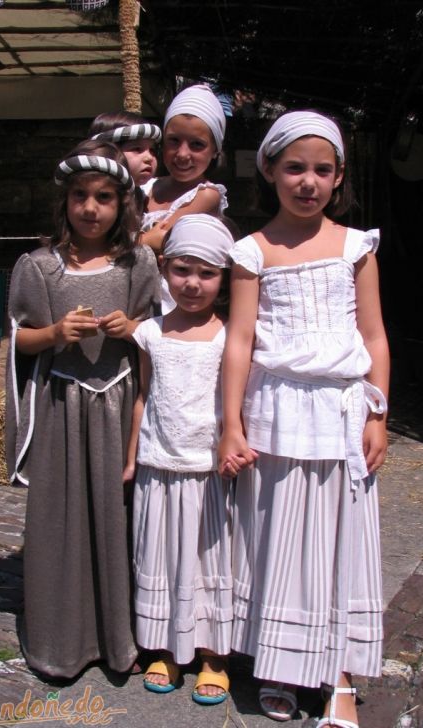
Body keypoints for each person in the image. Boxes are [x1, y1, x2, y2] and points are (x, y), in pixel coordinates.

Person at [218, 111, 390, 727]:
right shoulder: (251, 251)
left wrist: (378, 412)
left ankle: (339, 675)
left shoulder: (354, 247)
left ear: (339, 176)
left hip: (342, 414)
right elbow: (239, 341)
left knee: (341, 543)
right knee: (277, 539)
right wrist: (231, 423)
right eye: (295, 167)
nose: (308, 181)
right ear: (269, 171)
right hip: (276, 412)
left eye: (322, 169)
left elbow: (373, 334)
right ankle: (282, 662)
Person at [5, 138, 161, 678]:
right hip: (62, 409)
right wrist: (52, 332)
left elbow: (166, 331)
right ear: (64, 201)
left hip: (121, 410)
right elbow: (19, 340)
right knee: (62, 520)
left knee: (121, 517)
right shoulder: (40, 268)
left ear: (123, 205)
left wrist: (135, 328)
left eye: (103, 197)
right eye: (79, 196)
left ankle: (124, 640)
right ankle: (62, 643)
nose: (90, 208)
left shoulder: (139, 263)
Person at [124, 214, 235, 705]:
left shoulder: (229, 337)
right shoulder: (149, 333)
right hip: (158, 467)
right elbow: (144, 396)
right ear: (165, 268)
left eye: (207, 273)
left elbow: (237, 404)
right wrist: (133, 458)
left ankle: (213, 653)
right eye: (183, 270)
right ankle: (167, 645)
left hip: (208, 474)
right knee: (165, 559)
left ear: (224, 277)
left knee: (208, 562)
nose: (193, 284)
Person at [139, 84, 228, 256]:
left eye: (197, 144)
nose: (182, 154)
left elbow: (160, 240)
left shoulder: (206, 194)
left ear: (215, 150)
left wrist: (117, 246)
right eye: (174, 140)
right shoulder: (146, 186)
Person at [88, 111, 162, 217]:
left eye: (152, 150)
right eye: (137, 149)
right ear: (107, 152)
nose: (149, 157)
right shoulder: (95, 197)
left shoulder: (139, 196)